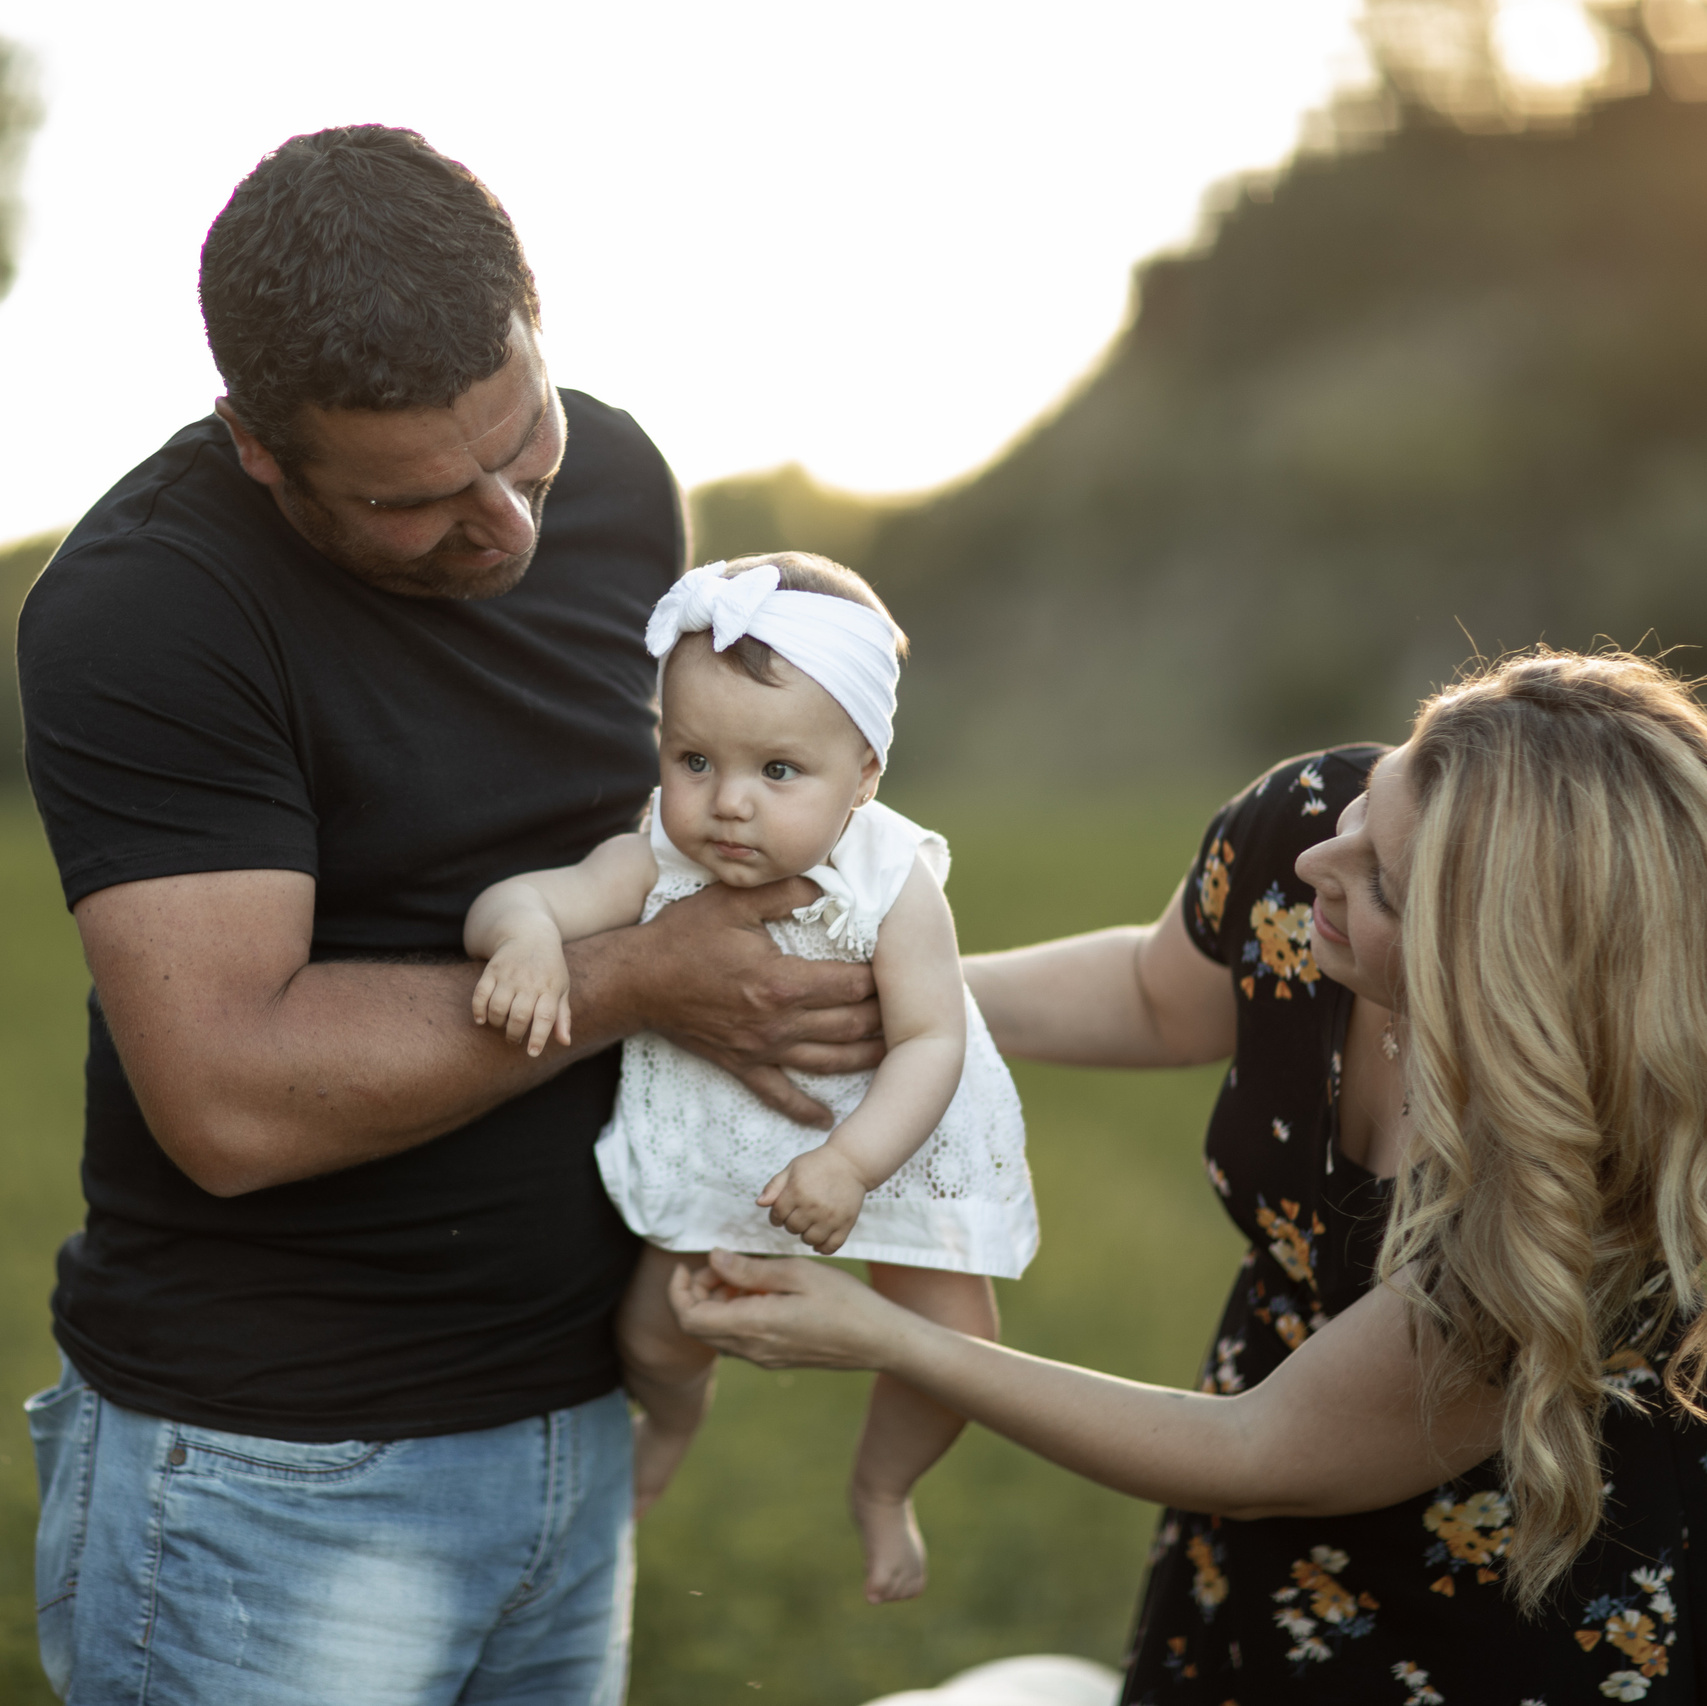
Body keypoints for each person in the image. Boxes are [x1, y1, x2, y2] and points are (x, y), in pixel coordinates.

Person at [17, 127, 882, 1705]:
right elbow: (229, 1093)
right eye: (418, 500)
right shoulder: (144, 610)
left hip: (566, 1420)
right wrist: (644, 981)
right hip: (268, 1475)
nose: (509, 528)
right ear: (261, 449)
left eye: (520, 445)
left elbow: (676, 837)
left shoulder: (620, 484)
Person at [676, 649, 1707, 1704]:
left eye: (1382, 883)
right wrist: (862, 1005)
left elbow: (1258, 1449)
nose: (1320, 861)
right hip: (1254, 1548)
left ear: (1505, 974)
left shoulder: (1583, 1193)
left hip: (1515, 1610)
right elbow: (1152, 990)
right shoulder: (1315, 821)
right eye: (1371, 797)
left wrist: (886, 1336)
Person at [463, 553, 1037, 1604]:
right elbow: (520, 897)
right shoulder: (655, 853)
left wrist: (853, 1162)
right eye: (693, 759)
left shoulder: (892, 876)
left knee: (956, 1346)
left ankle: (881, 1485)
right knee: (654, 1328)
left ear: (863, 775)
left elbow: (930, 1041)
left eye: (778, 772)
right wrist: (530, 945)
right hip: (731, 1136)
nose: (727, 805)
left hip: (889, 1144)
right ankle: (675, 1416)